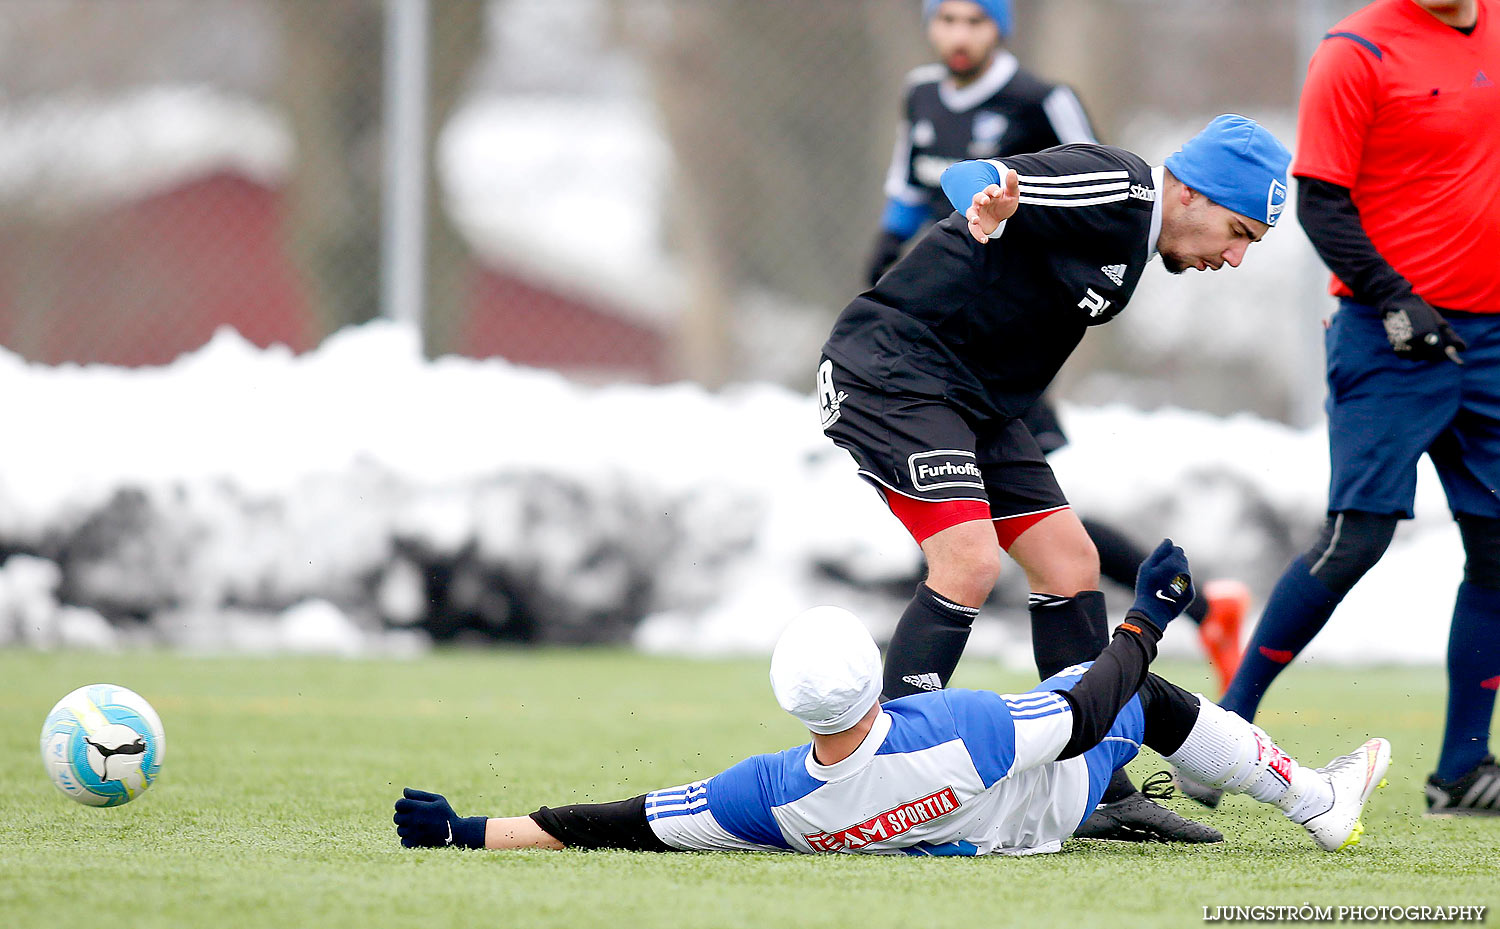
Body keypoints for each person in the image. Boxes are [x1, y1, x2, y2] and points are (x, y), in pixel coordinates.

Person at [819, 113, 1290, 842]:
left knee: (1072, 563)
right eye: (1238, 233)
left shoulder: (1136, 243)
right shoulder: (1125, 188)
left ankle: (1099, 789)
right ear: (1192, 193)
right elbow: (977, 180)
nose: (1234, 258)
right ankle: (875, 779)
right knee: (968, 561)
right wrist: (991, 201)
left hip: (975, 398)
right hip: (894, 372)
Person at [393, 541, 1391, 856]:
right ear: (876, 674)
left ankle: (1232, 773)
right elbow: (1089, 713)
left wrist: (468, 832)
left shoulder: (771, 797)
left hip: (970, 825)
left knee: (1090, 688)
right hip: (1045, 795)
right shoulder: (963, 724)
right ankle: (1314, 798)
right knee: (1138, 695)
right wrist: (1147, 618)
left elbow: (626, 821)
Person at [867, 0, 1253, 695]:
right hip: (926, 352)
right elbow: (918, 197)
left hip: (992, 365)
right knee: (975, 551)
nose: (958, 35)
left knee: (1057, 547)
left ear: (1001, 28)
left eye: (974, 21)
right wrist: (891, 281)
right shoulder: (920, 95)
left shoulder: (1046, 103)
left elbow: (1106, 185)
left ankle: (1095, 776)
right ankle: (895, 758)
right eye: (945, 19)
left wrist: (1019, 216)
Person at [1193, 0, 1500, 816]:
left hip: (1491, 337)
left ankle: (1463, 772)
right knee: (1355, 538)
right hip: (1389, 334)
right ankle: (1221, 733)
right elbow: (1321, 201)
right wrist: (1395, 298)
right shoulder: (1355, 50)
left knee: (1499, 548)